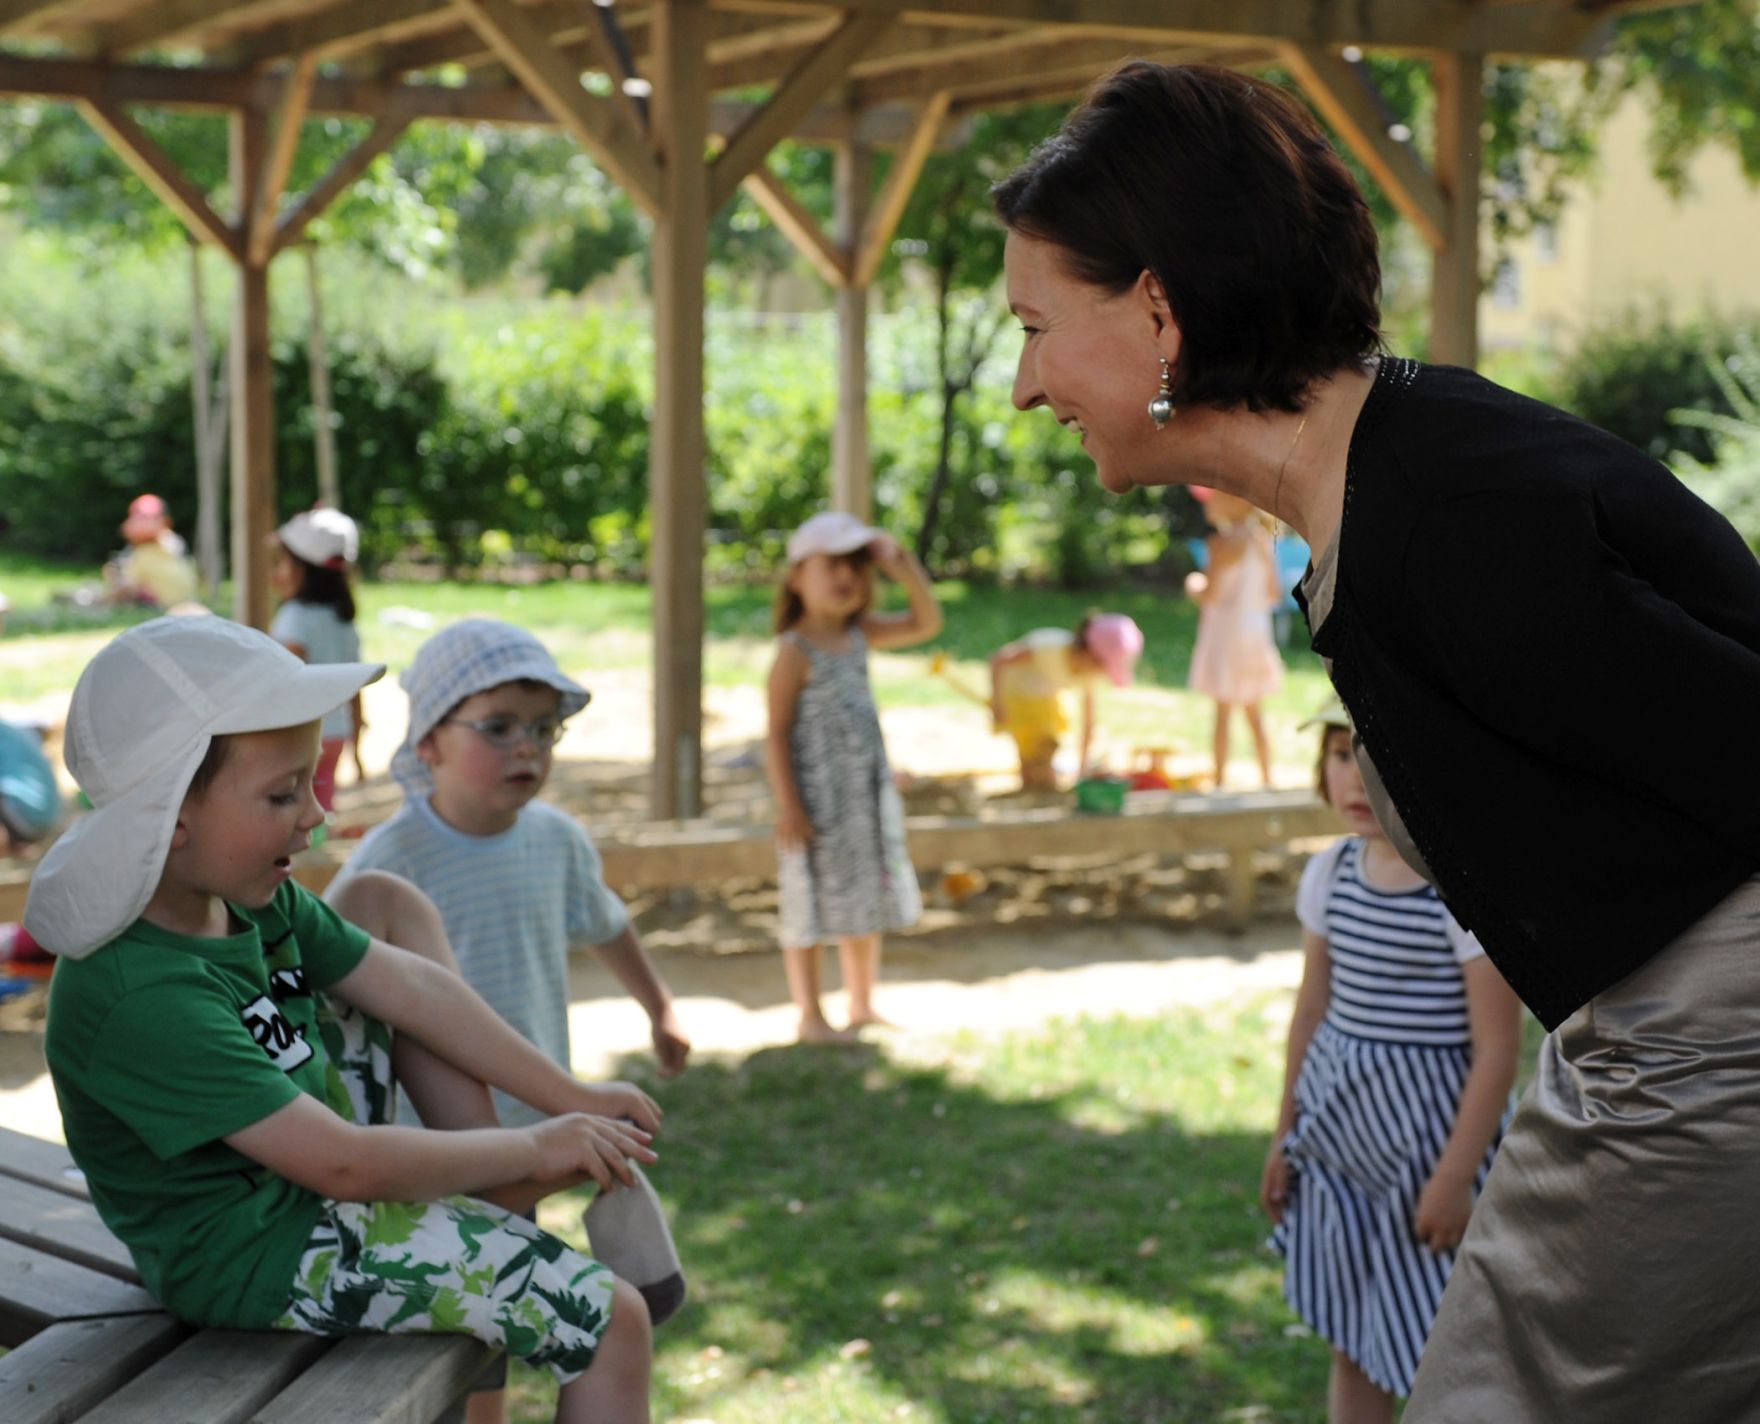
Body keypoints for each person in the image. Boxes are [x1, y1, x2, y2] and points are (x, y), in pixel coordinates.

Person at [995, 59, 1760, 1419]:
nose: (1022, 383)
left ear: (1160, 315)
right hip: (1647, 1032)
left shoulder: (1451, 519)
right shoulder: (1389, 480)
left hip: (1704, 1041)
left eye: (1037, 327)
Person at [22, 616, 660, 1423]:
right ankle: (496, 1172)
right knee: (611, 1322)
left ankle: (488, 1175)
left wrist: (566, 1093)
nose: (315, 817)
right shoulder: (140, 994)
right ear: (168, 819)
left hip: (305, 1185)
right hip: (261, 1257)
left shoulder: (249, 897)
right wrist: (537, 1143)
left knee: (384, 925)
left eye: (310, 782)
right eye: (283, 794)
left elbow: (413, 992)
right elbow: (346, 1168)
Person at [328, 617, 691, 1424]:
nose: (528, 746)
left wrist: (659, 1007)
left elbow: (606, 924)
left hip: (534, 1123)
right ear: (428, 744)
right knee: (462, 1344)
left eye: (544, 727)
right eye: (498, 727)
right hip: (427, 1145)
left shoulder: (557, 841)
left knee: (505, 1301)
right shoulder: (389, 867)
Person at [1263, 699, 1520, 1421]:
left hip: (1429, 1150)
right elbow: (1311, 1011)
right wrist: (1285, 1135)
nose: (1356, 778)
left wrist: (1453, 1178)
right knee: (1352, 1337)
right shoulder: (1329, 874)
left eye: (1377, 753)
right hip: (1343, 1143)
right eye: (1342, 754)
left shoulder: (1458, 890)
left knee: (1445, 1342)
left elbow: (1498, 1049)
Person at [766, 510, 942, 1043]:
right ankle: (810, 1015)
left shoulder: (859, 633)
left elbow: (926, 623)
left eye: (856, 567)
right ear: (797, 577)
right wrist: (790, 807)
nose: (847, 577)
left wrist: (904, 566)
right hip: (815, 806)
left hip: (863, 800)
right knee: (809, 903)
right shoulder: (794, 652)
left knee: (864, 896)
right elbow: (774, 734)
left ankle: (862, 1004)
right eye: (832, 565)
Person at [1185, 488, 1282, 788]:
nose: (1206, 503)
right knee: (1255, 713)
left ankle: (1219, 781)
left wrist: (1193, 584)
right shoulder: (1262, 541)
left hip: (1225, 637)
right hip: (1254, 634)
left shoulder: (1220, 543)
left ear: (1235, 501)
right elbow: (1273, 594)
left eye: (1212, 496)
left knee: (1223, 712)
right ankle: (1267, 780)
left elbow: (1209, 592)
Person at [270, 507, 364, 812]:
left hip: (304, 732)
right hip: (338, 731)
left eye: (283, 562)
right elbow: (356, 682)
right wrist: (358, 741)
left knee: (294, 806)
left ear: (302, 569)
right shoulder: (343, 621)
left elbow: (286, 681)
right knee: (322, 804)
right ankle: (320, 846)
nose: (277, 572)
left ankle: (305, 855)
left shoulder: (293, 618)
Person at [988, 612, 1143, 791]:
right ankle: (1032, 786)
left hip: (1047, 697)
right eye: (1101, 668)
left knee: (1045, 750)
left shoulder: (1088, 674)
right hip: (1016, 696)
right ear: (1088, 652)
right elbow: (998, 660)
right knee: (1032, 756)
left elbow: (1088, 722)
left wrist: (1083, 769)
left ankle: (1039, 785)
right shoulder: (1049, 648)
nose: (1097, 675)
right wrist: (998, 704)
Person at [105, 493, 200, 608]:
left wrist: (104, 600)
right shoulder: (173, 542)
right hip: (186, 602)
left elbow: (126, 587)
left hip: (161, 605)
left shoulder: (146, 553)